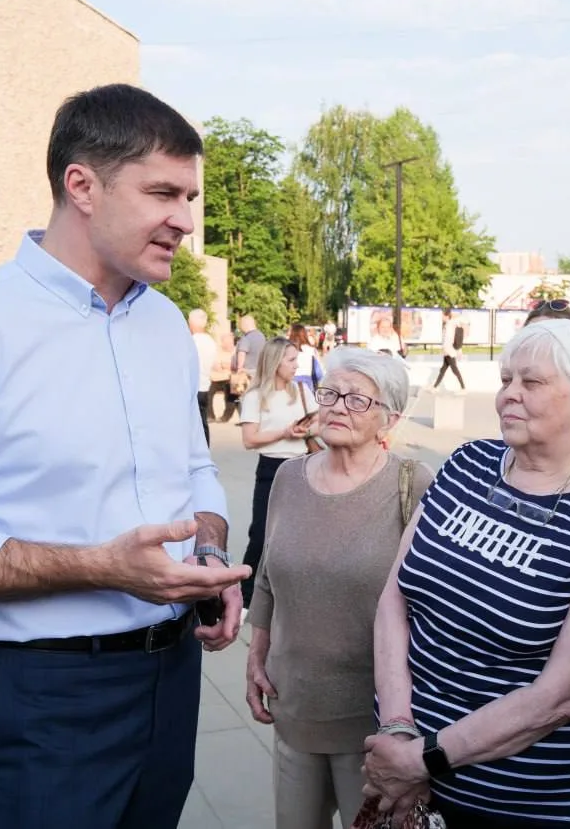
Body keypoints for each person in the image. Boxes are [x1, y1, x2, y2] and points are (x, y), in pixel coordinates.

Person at [0, 84, 250, 829]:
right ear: (81, 185)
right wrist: (98, 565)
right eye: (163, 191)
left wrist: (208, 550)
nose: (186, 219)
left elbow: (195, 469)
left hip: (173, 676)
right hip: (51, 692)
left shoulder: (166, 324)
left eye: (192, 196)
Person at [366, 319, 570, 827]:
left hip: (525, 803)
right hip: (404, 773)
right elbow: (396, 598)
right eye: (505, 380)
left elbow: (561, 697)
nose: (509, 395)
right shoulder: (467, 464)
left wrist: (424, 759)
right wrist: (397, 730)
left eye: (532, 382)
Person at [246, 349, 435, 829]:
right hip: (295, 705)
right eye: (329, 393)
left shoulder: (412, 485)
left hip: (373, 721)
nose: (335, 407)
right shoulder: (289, 478)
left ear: (389, 417)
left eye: (356, 400)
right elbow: (268, 575)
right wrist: (256, 655)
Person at [238, 336, 319, 608]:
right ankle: (245, 597)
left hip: (302, 467)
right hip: (271, 468)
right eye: (292, 360)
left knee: (302, 533)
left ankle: (292, 595)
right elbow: (250, 439)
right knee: (261, 534)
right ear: (275, 362)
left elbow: (317, 426)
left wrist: (305, 430)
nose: (297, 365)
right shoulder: (255, 396)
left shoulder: (302, 391)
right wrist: (285, 432)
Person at [189, 308, 216, 446]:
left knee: (192, 423)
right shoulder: (210, 341)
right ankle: (205, 449)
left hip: (193, 387)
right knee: (203, 421)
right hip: (205, 385)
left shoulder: (191, 341)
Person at [433, 307, 466, 392]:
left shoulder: (450, 324)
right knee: (443, 369)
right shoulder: (447, 324)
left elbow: (449, 339)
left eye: (442, 315)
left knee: (454, 370)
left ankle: (463, 388)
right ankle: (434, 387)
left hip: (449, 351)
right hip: (448, 351)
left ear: (446, 315)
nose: (441, 317)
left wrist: (446, 349)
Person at [208, 329, 238, 422]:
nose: (225, 344)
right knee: (208, 393)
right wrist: (220, 365)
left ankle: (225, 417)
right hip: (216, 378)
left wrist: (225, 365)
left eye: (227, 342)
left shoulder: (236, 351)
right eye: (224, 341)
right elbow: (214, 364)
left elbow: (235, 365)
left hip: (229, 378)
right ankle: (210, 416)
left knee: (230, 396)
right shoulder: (218, 351)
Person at [289, 323, 323, 390]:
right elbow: (319, 373)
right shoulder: (311, 350)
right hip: (307, 384)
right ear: (304, 334)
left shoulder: (287, 348)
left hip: (290, 382)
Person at [234, 314, 266, 380]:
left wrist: (239, 368)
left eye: (241, 325)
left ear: (245, 325)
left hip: (247, 373)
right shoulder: (262, 336)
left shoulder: (246, 338)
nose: (240, 328)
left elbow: (242, 353)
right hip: (259, 371)